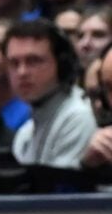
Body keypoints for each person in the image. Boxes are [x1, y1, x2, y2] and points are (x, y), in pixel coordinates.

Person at [5, 18, 100, 170]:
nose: (22, 72)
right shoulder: (25, 134)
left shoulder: (79, 117)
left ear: (62, 64)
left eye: (33, 61)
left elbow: (61, 190)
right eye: (14, 63)